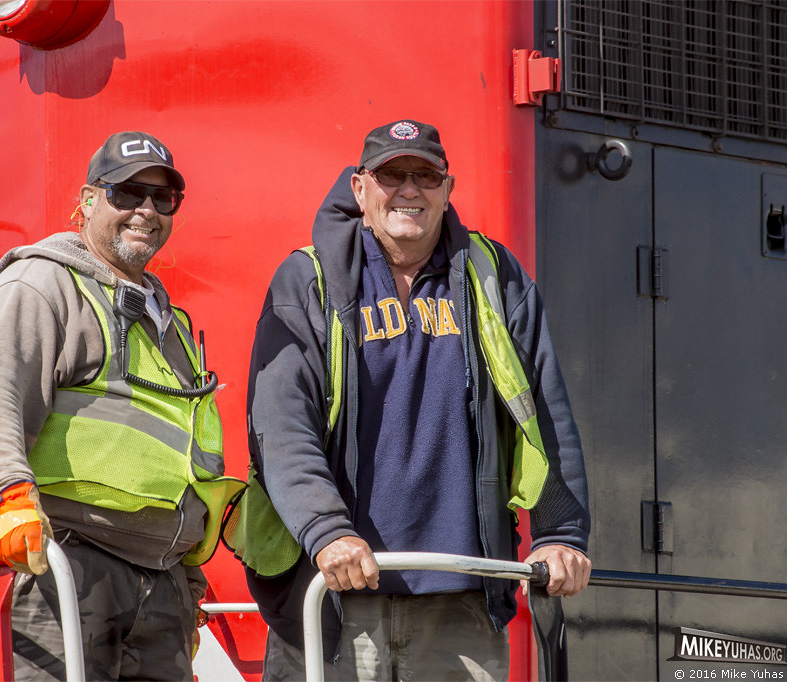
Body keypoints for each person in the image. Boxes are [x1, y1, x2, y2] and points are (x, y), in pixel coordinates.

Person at [241, 120, 591, 681]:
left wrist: (559, 534)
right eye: (391, 174)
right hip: (336, 594)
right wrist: (327, 530)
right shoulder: (306, 279)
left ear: (447, 189)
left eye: (425, 175)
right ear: (360, 189)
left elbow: (542, 415)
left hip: (462, 602)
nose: (409, 189)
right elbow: (280, 427)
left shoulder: (495, 277)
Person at [0, 131, 244, 681]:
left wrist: (188, 577)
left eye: (163, 199)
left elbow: (186, 455)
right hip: (67, 563)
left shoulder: (171, 325)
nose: (146, 210)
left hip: (162, 588)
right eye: (128, 193)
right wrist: (6, 498)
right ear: (89, 201)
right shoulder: (40, 286)